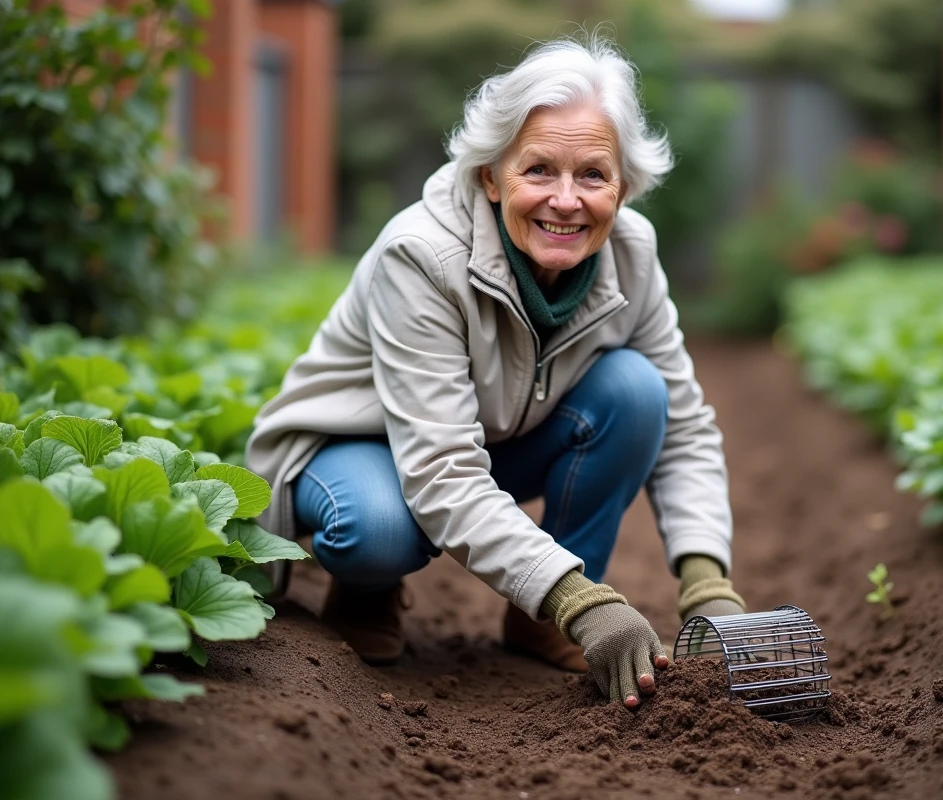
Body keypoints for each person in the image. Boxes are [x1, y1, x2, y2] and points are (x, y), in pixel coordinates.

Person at [246, 36, 745, 709]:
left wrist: (707, 579)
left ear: (624, 187)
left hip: (500, 436)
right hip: (366, 448)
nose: (566, 201)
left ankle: (540, 621)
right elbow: (442, 466)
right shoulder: (421, 255)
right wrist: (583, 603)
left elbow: (682, 425)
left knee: (637, 391)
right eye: (538, 169)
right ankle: (368, 591)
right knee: (378, 531)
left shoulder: (633, 251)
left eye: (593, 175)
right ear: (490, 175)